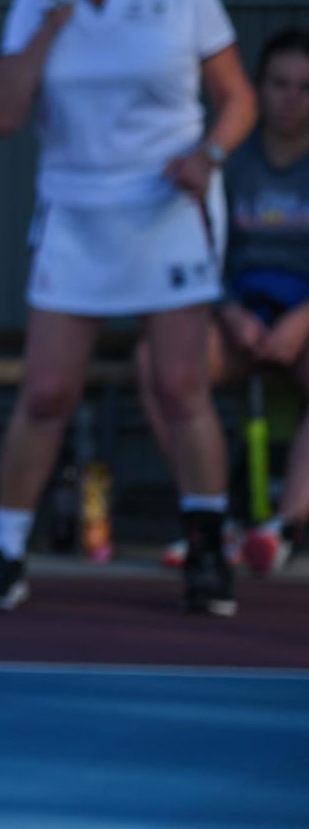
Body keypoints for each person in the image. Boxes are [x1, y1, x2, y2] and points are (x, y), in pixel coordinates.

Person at [0, 0, 256, 618]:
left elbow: (237, 99)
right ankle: (5, 551)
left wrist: (208, 156)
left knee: (180, 386)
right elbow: (0, 116)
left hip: (166, 209)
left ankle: (206, 548)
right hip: (74, 212)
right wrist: (49, 24)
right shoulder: (35, 2)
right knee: (47, 391)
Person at [138, 28, 309, 576]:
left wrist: (301, 322)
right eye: (280, 84)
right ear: (258, 89)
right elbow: (198, 249)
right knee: (155, 362)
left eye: (305, 87)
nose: (292, 98)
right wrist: (230, 312)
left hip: (302, 324)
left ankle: (284, 529)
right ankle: (212, 521)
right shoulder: (232, 162)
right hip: (237, 318)